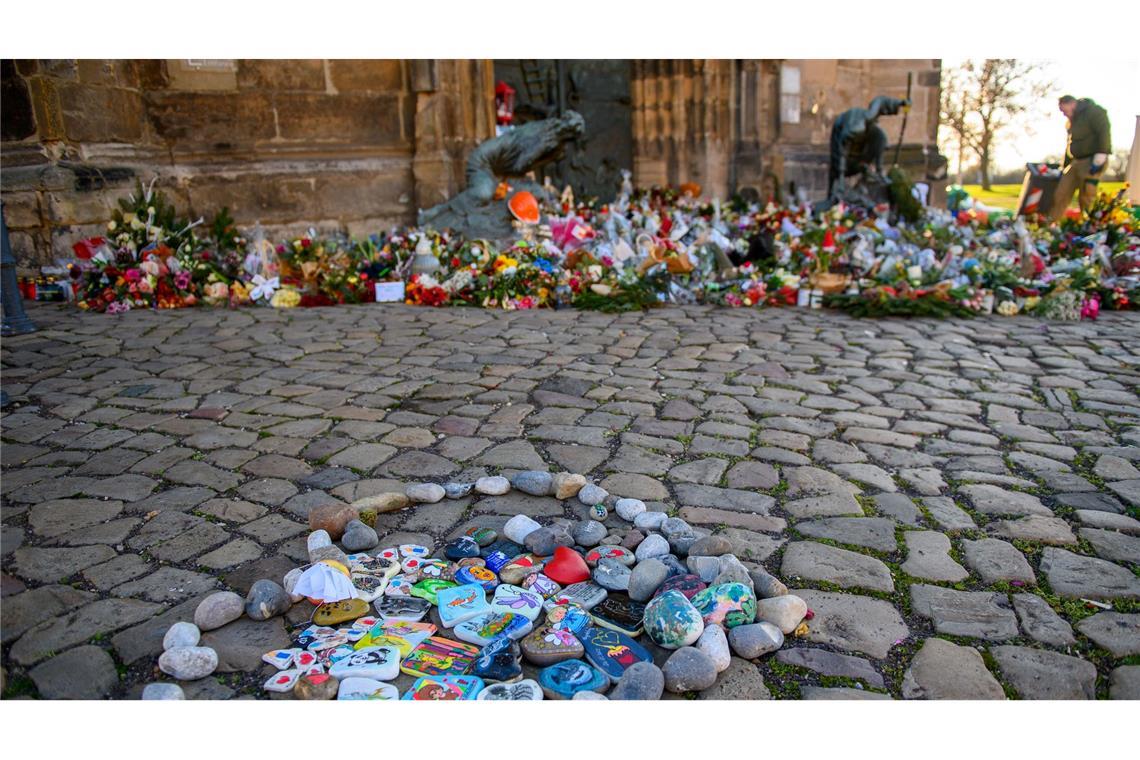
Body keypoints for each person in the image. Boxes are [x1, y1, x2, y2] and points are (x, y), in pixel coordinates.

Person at [1049, 95, 1112, 221]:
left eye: (1064, 110)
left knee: (1086, 196)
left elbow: (1104, 130)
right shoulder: (1071, 121)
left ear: (1072, 103)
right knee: (1061, 193)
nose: (1064, 114)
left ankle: (1089, 227)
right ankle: (1051, 224)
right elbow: (1069, 144)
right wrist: (1064, 166)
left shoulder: (1093, 111)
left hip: (1092, 160)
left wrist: (1102, 153)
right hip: (1075, 161)